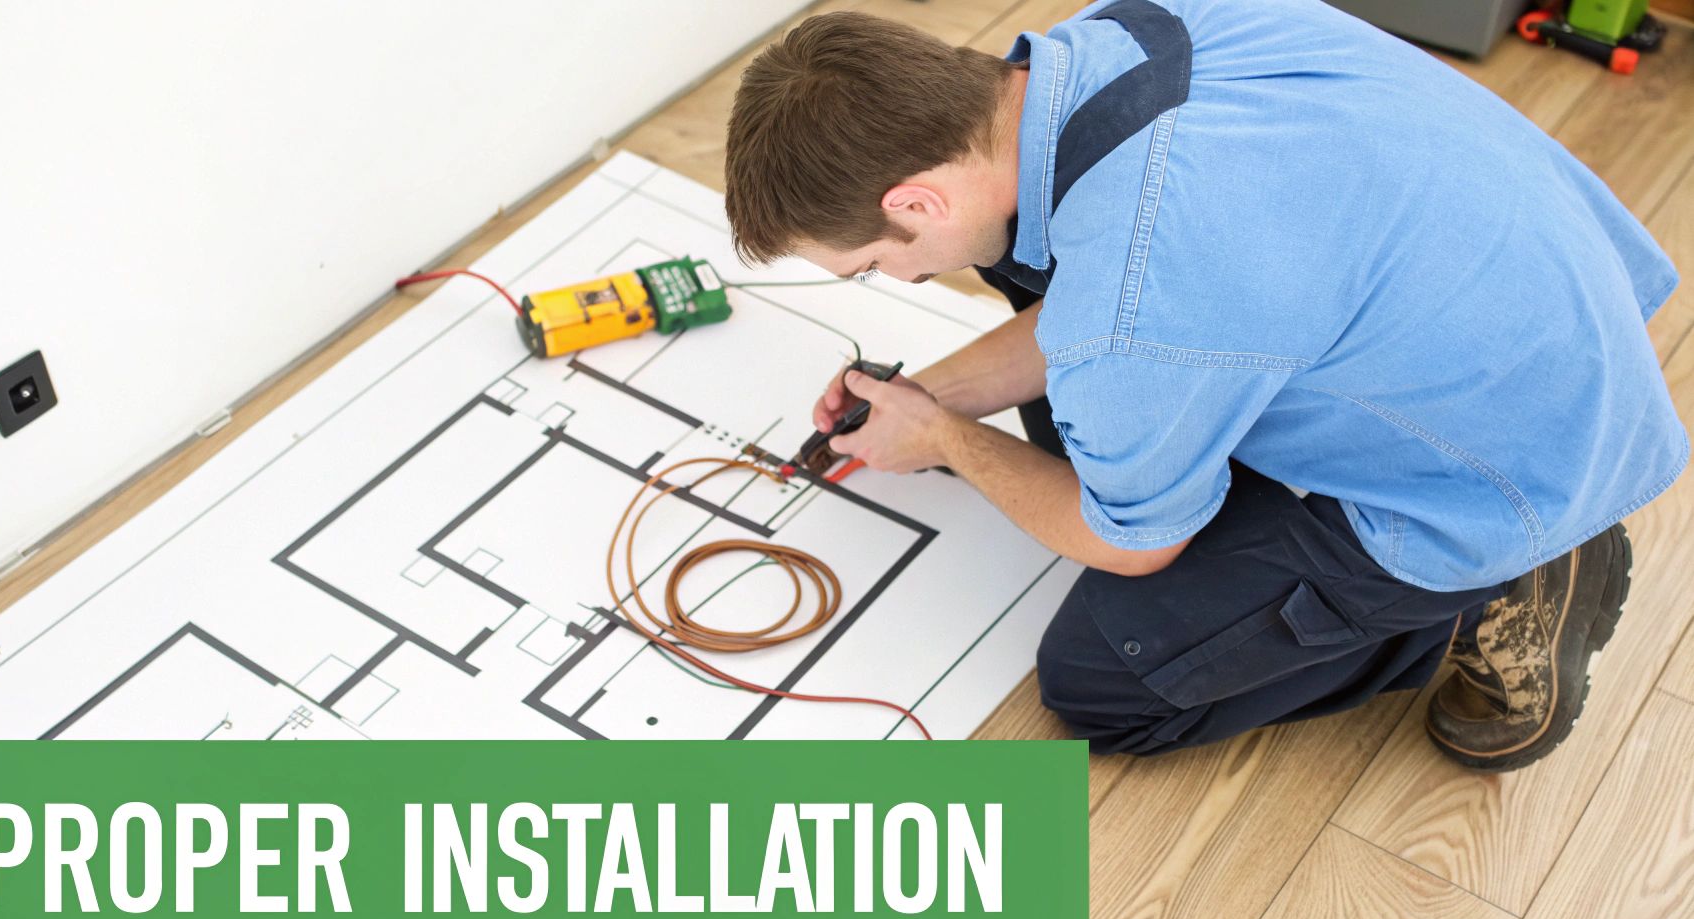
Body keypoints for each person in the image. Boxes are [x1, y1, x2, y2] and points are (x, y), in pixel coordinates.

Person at [720, 0, 1686, 770]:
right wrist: (926, 397)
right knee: (1049, 299)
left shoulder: (1140, 285)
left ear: (913, 201)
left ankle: (1497, 586)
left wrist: (947, 444)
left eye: (871, 265)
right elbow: (1116, 311)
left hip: (1505, 470)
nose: (893, 281)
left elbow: (1124, 538)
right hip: (1539, 336)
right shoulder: (1132, 28)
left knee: (1104, 682)